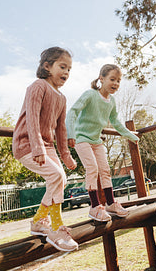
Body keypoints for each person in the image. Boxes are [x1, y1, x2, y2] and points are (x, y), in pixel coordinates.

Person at [12, 47, 78, 252]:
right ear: (47, 66)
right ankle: (56, 226)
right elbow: (31, 117)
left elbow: (61, 129)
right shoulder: (37, 86)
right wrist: (37, 147)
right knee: (56, 175)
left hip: (47, 146)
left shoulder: (62, 98)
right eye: (62, 67)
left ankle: (40, 220)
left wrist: (66, 155)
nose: (66, 72)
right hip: (27, 144)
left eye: (69, 69)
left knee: (61, 178)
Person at [66, 64, 139, 222]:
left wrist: (130, 135)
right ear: (101, 79)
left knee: (105, 170)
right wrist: (70, 134)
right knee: (92, 168)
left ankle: (111, 203)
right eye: (112, 79)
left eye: (118, 81)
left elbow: (115, 122)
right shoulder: (90, 95)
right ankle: (94, 207)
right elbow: (72, 112)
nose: (116, 83)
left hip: (96, 140)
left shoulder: (111, 101)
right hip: (81, 138)